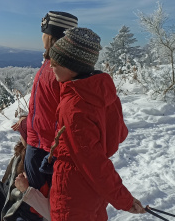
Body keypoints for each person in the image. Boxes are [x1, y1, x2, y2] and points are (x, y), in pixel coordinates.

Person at [43, 27, 145, 220]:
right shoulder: (102, 91)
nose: (50, 67)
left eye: (54, 63)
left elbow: (94, 164)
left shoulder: (73, 107)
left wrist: (124, 200)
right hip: (94, 193)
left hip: (72, 193)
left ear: (70, 66)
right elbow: (119, 134)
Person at [11, 11, 78, 219]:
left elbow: (67, 116)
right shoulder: (53, 65)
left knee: (34, 209)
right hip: (39, 147)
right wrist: (27, 119)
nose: (41, 37)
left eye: (43, 32)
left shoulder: (60, 70)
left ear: (52, 36)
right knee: (33, 202)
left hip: (44, 154)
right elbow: (47, 107)